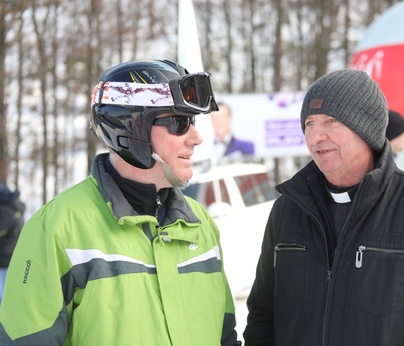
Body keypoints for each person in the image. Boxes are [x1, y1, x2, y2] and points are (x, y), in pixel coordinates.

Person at [244, 69, 404, 345]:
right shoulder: (288, 210)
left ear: (365, 128)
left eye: (330, 121)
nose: (315, 136)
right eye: (309, 123)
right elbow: (262, 317)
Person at [0, 60, 241, 346]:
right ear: (132, 129)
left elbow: (225, 338)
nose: (196, 138)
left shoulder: (200, 224)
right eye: (179, 123)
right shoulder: (57, 228)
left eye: (194, 122)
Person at [0, 179, 25, 305]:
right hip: (10, 257)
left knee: (4, 297)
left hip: (5, 260)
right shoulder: (14, 208)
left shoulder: (8, 212)